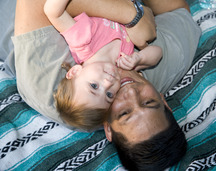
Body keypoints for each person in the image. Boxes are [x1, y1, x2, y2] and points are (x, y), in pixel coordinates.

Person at [11, 0, 201, 170]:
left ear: (108, 129)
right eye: (148, 102)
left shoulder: (54, 89)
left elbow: (38, 4)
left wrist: (132, 15)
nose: (131, 93)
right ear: (163, 100)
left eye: (124, 113)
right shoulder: (168, 62)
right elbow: (178, 11)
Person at [43, 0, 162, 130]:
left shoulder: (82, 42)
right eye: (109, 95)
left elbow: (53, 12)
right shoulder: (122, 66)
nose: (107, 83)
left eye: (94, 86)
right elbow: (158, 53)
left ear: (75, 72)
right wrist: (139, 58)